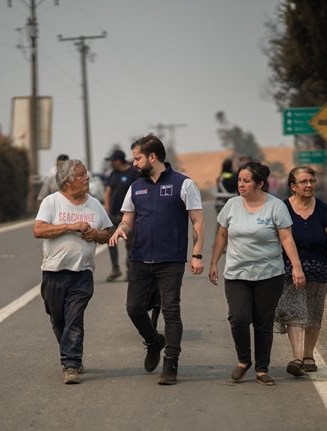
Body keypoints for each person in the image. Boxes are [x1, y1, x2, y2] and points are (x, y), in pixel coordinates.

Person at [108, 134, 204, 385]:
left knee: (171, 310)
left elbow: (198, 221)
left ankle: (170, 364)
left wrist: (196, 254)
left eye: (138, 158)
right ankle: (154, 341)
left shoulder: (184, 184)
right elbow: (128, 219)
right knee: (134, 308)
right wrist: (122, 230)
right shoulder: (135, 187)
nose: (134, 163)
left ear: (153, 157)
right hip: (140, 258)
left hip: (171, 260)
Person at [208, 160, 305, 386]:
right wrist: (213, 263)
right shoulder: (231, 205)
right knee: (238, 319)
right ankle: (244, 360)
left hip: (269, 275)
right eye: (239, 180)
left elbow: (286, 238)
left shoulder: (276, 207)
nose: (240, 184)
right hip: (236, 274)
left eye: (246, 181)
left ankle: (262, 368)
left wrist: (297, 267)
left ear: (260, 184)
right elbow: (222, 235)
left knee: (263, 322)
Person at [33, 159, 112, 384]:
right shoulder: (52, 202)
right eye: (81, 175)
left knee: (74, 318)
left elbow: (107, 234)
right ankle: (70, 351)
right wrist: (70, 226)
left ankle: (71, 364)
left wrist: (94, 235)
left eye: (86, 174)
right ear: (67, 181)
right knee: (58, 319)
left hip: (82, 273)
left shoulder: (94, 204)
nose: (86, 178)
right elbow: (38, 230)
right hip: (53, 272)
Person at [274, 166, 327, 376]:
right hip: (290, 268)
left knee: (314, 313)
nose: (309, 185)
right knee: (295, 310)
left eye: (312, 181)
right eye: (304, 181)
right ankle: (297, 358)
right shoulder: (283, 208)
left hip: (319, 268)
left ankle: (308, 355)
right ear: (293, 186)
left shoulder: (322, 208)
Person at [103, 149, 140, 282]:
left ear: (118, 160)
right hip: (113, 215)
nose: (111, 163)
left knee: (129, 244)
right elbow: (107, 191)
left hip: (129, 215)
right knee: (111, 241)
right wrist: (106, 208)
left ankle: (130, 270)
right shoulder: (113, 174)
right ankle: (115, 269)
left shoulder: (133, 173)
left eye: (112, 161)